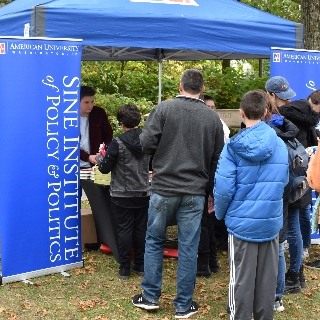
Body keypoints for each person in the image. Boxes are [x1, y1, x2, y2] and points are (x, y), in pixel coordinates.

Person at [132, 69, 224, 319]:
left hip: (164, 188)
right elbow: (218, 158)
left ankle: (150, 296)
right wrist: (210, 189)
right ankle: (183, 304)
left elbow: (146, 143)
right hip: (195, 191)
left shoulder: (164, 109)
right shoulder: (212, 118)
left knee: (154, 241)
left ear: (180, 85)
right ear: (201, 89)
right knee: (188, 246)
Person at [214, 90, 289, 320]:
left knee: (241, 282)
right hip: (270, 223)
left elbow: (224, 188)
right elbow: (283, 182)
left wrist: (220, 214)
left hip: (242, 225)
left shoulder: (232, 147)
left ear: (241, 113)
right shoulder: (280, 145)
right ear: (266, 112)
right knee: (267, 282)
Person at [266, 76, 319, 293]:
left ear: (272, 95)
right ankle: (297, 275)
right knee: (295, 227)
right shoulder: (306, 115)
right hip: (302, 177)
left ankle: (293, 277)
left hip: (288, 177)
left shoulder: (283, 117)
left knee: (290, 230)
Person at [98, 104, 150, 280]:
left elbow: (104, 169)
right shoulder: (147, 140)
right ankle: (141, 265)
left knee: (124, 230)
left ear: (121, 123)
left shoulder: (117, 143)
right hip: (143, 192)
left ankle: (125, 268)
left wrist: (101, 159)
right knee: (141, 229)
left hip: (121, 194)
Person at [262, 89, 299, 312]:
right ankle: (276, 296)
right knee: (277, 243)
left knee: (268, 244)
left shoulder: (265, 131)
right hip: (281, 192)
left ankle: (272, 294)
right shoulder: (281, 122)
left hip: (267, 194)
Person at [80, 85, 113, 170]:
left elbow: (108, 136)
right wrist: (87, 156)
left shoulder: (99, 113)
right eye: (86, 102)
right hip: (72, 165)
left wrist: (103, 152)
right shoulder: (67, 117)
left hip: (95, 165)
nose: (90, 105)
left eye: (92, 102)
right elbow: (67, 144)